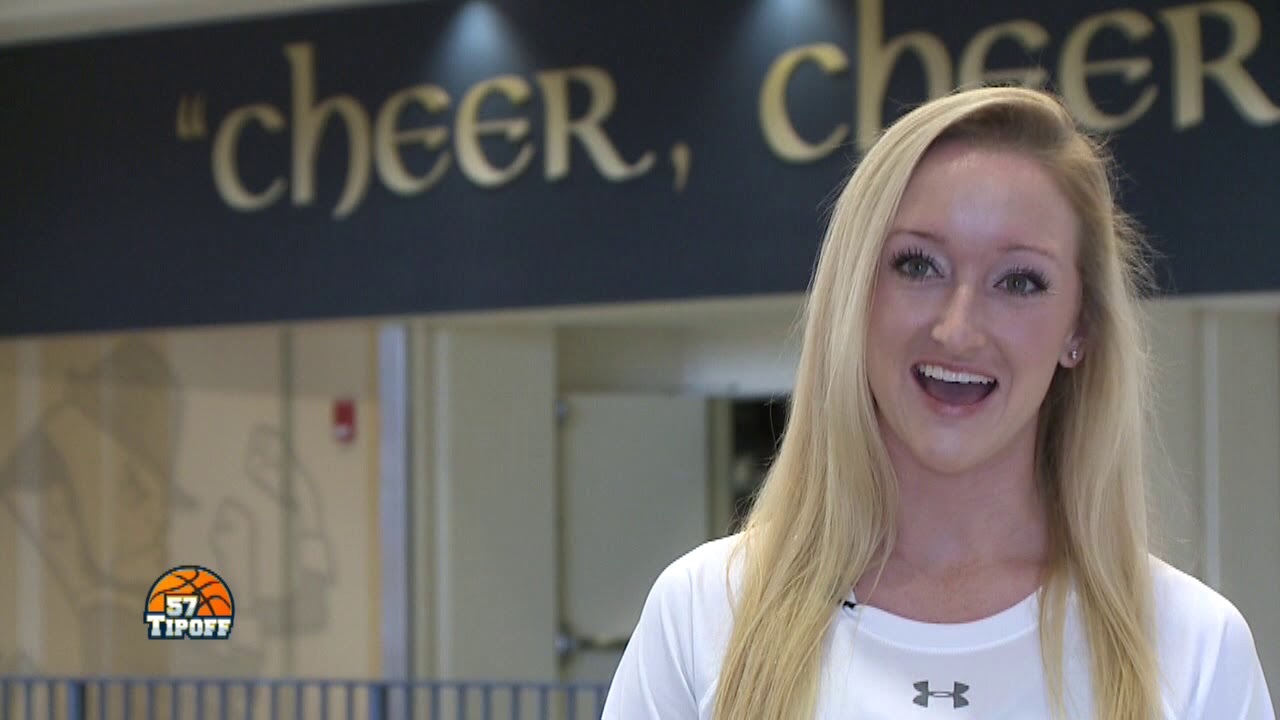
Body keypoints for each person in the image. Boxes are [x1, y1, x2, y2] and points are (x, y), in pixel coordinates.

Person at [601, 86, 1276, 719]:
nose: (958, 329)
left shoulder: (1193, 646)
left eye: (1019, 281)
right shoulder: (704, 613)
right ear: (856, 297)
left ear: (1079, 328)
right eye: (918, 266)